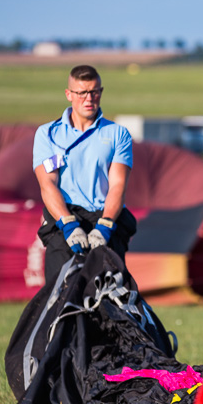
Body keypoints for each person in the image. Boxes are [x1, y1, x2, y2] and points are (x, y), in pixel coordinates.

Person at [33, 64, 135, 286]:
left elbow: (118, 185)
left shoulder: (118, 134)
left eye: (95, 91)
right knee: (58, 299)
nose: (89, 98)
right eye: (82, 93)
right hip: (65, 221)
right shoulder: (47, 134)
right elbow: (47, 184)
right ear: (69, 95)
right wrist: (68, 224)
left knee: (115, 302)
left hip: (105, 221)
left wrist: (105, 225)